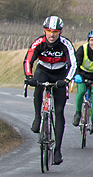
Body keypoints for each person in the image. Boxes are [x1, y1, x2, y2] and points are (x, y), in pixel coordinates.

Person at [23, 15, 76, 165]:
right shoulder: (38, 43)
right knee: (38, 85)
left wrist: (66, 80)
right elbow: (28, 60)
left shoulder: (66, 44)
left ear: (60, 32)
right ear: (44, 31)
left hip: (60, 74)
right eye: (48, 31)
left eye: (55, 31)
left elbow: (73, 64)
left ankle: (57, 150)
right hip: (43, 71)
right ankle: (37, 117)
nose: (51, 34)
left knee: (59, 111)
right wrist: (29, 76)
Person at [72, 30, 93, 126]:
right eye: (92, 40)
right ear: (88, 41)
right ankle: (77, 113)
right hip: (82, 75)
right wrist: (76, 75)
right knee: (81, 92)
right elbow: (76, 63)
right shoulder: (82, 49)